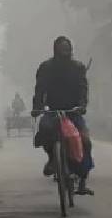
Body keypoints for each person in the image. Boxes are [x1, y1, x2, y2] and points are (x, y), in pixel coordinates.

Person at [31, 35, 95, 196]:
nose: (64, 51)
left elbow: (83, 89)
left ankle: (82, 179)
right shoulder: (46, 67)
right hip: (53, 111)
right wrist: (37, 107)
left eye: (67, 48)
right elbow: (39, 90)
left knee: (85, 141)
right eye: (61, 48)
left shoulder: (78, 67)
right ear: (55, 50)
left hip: (73, 112)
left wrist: (82, 106)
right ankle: (53, 159)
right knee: (44, 129)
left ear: (71, 49)